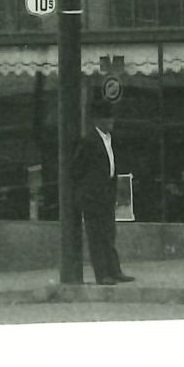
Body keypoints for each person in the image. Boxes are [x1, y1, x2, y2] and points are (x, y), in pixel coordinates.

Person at [69, 99, 133, 284]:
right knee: (96, 235)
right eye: (107, 118)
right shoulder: (89, 141)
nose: (111, 122)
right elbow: (76, 168)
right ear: (97, 120)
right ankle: (102, 274)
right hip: (93, 197)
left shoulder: (110, 139)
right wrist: (87, 190)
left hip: (106, 195)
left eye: (111, 118)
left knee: (109, 234)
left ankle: (114, 271)